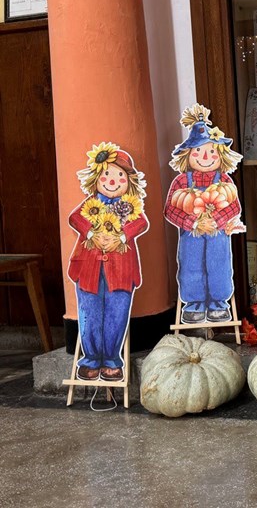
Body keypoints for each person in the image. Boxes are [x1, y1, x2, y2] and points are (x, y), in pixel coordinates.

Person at [68, 143, 148, 381]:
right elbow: (74, 218)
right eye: (106, 175)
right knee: (89, 312)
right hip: (88, 268)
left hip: (121, 269)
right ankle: (91, 358)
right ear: (96, 178)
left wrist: (121, 237)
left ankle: (112, 359)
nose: (113, 181)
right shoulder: (90, 204)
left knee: (117, 312)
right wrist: (91, 233)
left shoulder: (130, 207)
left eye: (120, 175)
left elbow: (141, 223)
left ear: (129, 182)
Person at [164, 104, 244, 324]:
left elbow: (234, 206)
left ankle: (219, 302)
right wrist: (193, 223)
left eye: (211, 152)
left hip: (217, 232)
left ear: (220, 155)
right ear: (188, 155)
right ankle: (194, 303)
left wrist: (216, 220)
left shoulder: (224, 180)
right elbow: (170, 209)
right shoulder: (181, 181)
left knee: (219, 265)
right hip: (192, 233)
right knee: (191, 266)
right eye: (198, 152)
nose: (205, 157)